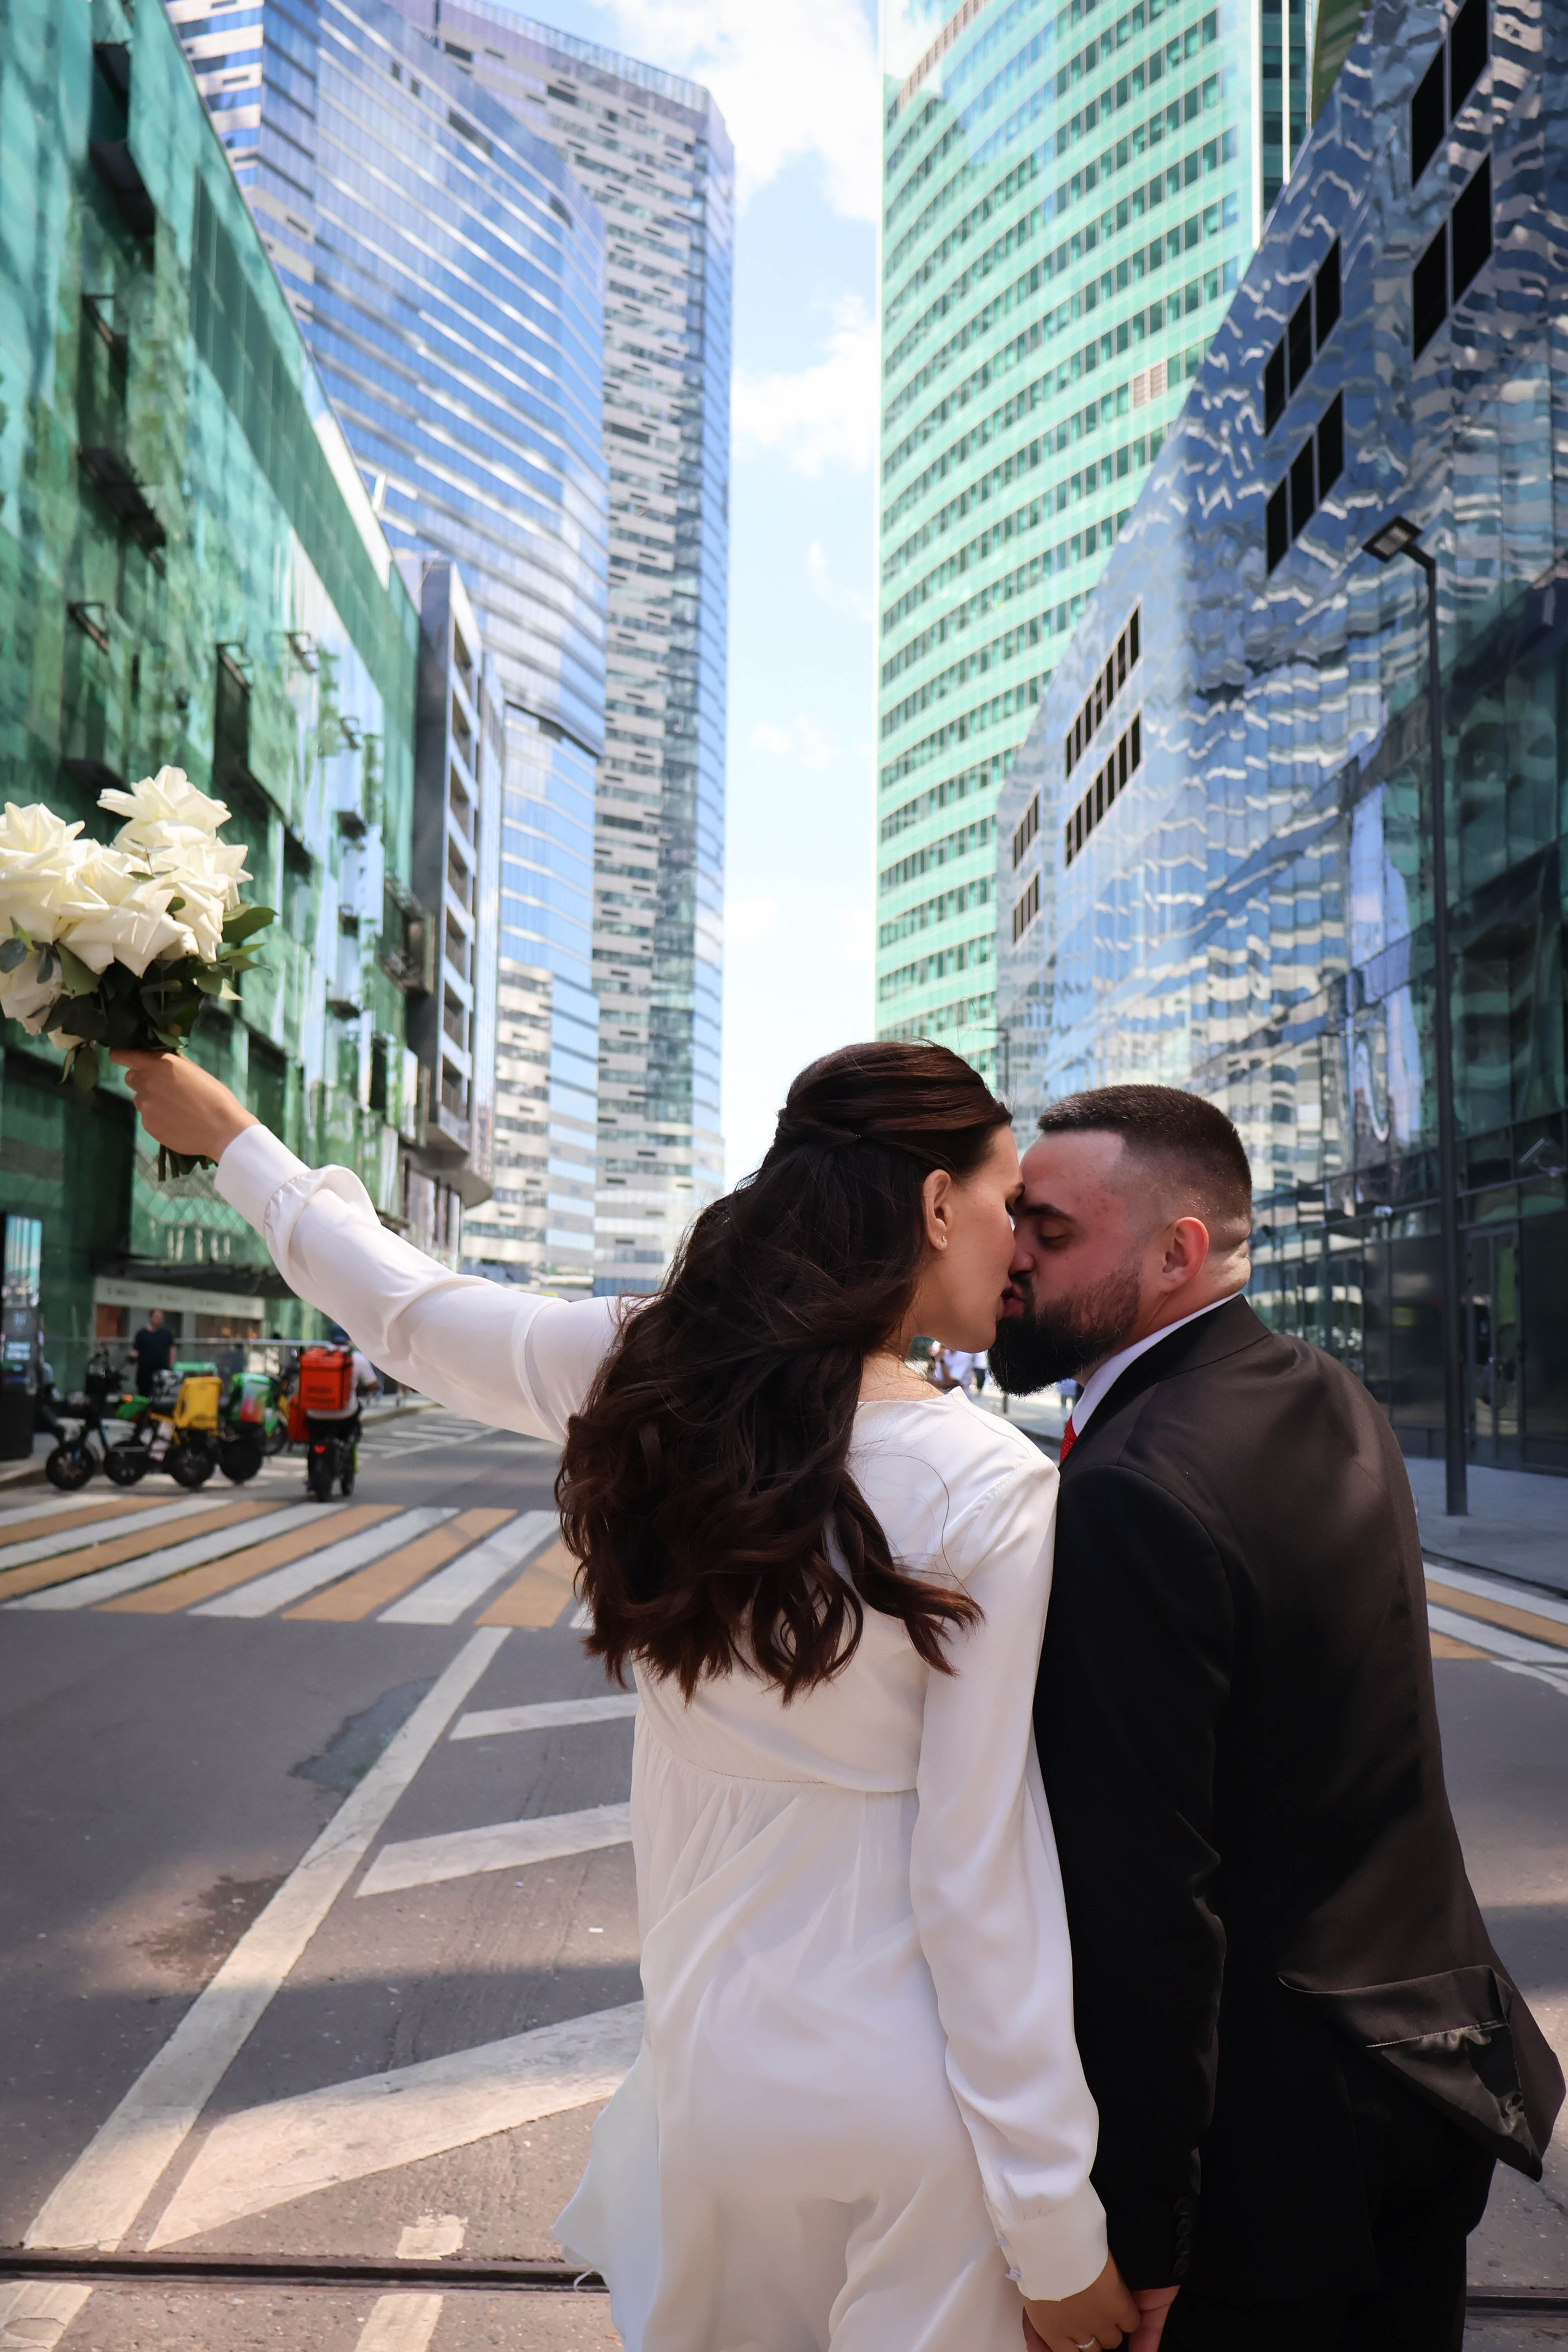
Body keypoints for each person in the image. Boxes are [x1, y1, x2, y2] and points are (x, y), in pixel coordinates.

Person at [110, 1038, 1142, 2352]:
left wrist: (236, 1141)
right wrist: (1053, 2225)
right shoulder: (988, 1486)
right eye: (1005, 1206)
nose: (1018, 1250)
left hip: (712, 2086)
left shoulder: (649, 1378)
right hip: (912, 2099)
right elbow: (975, 1872)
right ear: (934, 1205)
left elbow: (403, 1309)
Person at [988, 1084, 1563, 2352]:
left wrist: (1139, 2232)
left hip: (1267, 2160)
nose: (1006, 1253)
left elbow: (1147, 1897)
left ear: (1174, 1251)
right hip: (1424, 2080)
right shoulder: (1321, 1392)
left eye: (1047, 1229)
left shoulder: (1133, 1489)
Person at [129, 1306, 175, 1397]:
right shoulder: (142, 1334)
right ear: (151, 1318)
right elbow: (136, 1350)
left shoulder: (166, 1333)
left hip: (161, 1371)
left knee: (160, 1395)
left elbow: (172, 1348)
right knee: (144, 1394)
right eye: (156, 1316)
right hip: (145, 1372)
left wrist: (172, 1364)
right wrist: (129, 1361)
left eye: (160, 1317)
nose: (158, 1319)